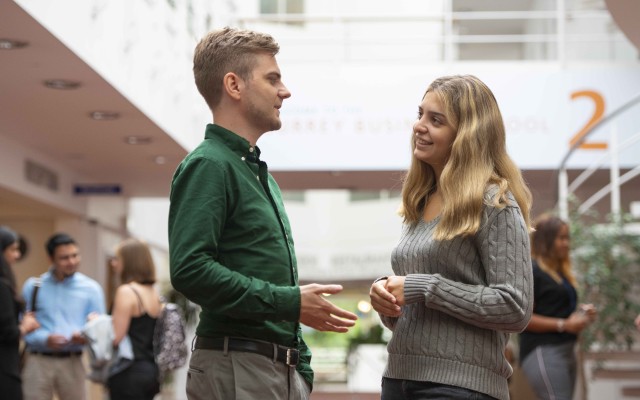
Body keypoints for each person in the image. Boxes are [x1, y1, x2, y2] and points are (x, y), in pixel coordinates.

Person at [168, 26, 358, 400]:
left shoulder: (251, 170)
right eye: (273, 79)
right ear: (234, 86)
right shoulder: (210, 164)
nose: (284, 91)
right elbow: (190, 270)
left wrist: (298, 365)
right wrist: (291, 302)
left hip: (264, 367)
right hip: (239, 367)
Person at [369, 75, 534, 400]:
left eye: (436, 120)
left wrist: (421, 286)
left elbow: (515, 306)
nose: (419, 126)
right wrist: (387, 299)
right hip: (400, 378)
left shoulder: (494, 203)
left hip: (460, 387)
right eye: (420, 115)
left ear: (466, 135)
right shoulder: (421, 200)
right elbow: (423, 309)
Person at [519, 215, 597, 400]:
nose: (566, 243)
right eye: (561, 238)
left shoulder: (560, 274)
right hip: (543, 350)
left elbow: (555, 309)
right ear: (546, 240)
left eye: (567, 238)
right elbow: (523, 318)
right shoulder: (533, 270)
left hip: (566, 350)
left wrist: (581, 314)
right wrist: (564, 325)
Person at [21, 233, 106, 400]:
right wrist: (45, 339)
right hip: (38, 361)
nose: (72, 262)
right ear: (51, 259)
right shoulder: (34, 286)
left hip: (73, 362)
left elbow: (101, 329)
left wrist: (83, 336)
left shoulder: (91, 289)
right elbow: (22, 325)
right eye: (64, 258)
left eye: (75, 255)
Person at [107, 238, 162, 400]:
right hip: (150, 370)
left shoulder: (126, 291)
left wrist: (97, 324)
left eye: (117, 259)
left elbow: (116, 337)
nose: (113, 264)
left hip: (128, 372)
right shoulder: (154, 292)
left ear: (129, 262)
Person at [0, 226, 40, 400]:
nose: (17, 255)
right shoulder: (2, 286)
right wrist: (25, 326)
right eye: (13, 250)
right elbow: (8, 332)